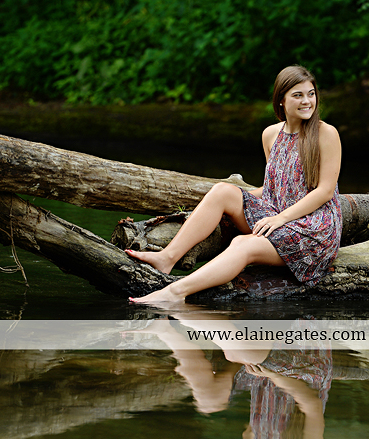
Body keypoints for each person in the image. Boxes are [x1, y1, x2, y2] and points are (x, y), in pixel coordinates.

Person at [127, 65, 342, 304]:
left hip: (312, 229)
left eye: (311, 94)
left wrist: (279, 219)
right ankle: (167, 257)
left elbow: (325, 191)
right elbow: (275, 187)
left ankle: (175, 292)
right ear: (281, 100)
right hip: (279, 215)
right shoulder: (270, 134)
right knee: (222, 191)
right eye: (298, 95)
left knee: (242, 244)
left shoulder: (326, 133)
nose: (307, 101)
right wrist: (238, 196)